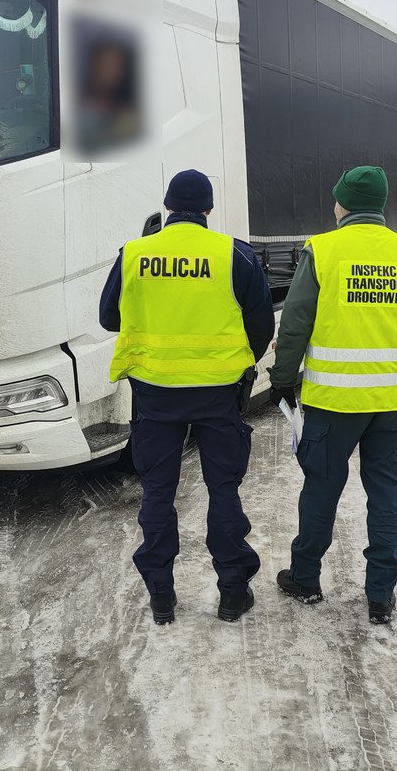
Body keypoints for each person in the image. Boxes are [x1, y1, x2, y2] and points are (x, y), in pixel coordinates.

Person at [100, 169, 274, 624]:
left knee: (157, 492)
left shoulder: (135, 253)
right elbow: (261, 326)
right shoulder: (233, 253)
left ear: (167, 204)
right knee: (224, 491)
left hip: (155, 395)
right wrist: (239, 365)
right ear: (209, 210)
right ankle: (233, 593)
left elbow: (107, 318)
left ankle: (161, 595)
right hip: (219, 394)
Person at [269, 166, 397, 625]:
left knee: (321, 490)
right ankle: (380, 595)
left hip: (333, 403)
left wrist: (283, 379)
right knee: (386, 494)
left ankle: (305, 579)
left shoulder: (323, 250)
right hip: (391, 406)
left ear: (342, 204)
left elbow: (296, 322)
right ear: (380, 205)